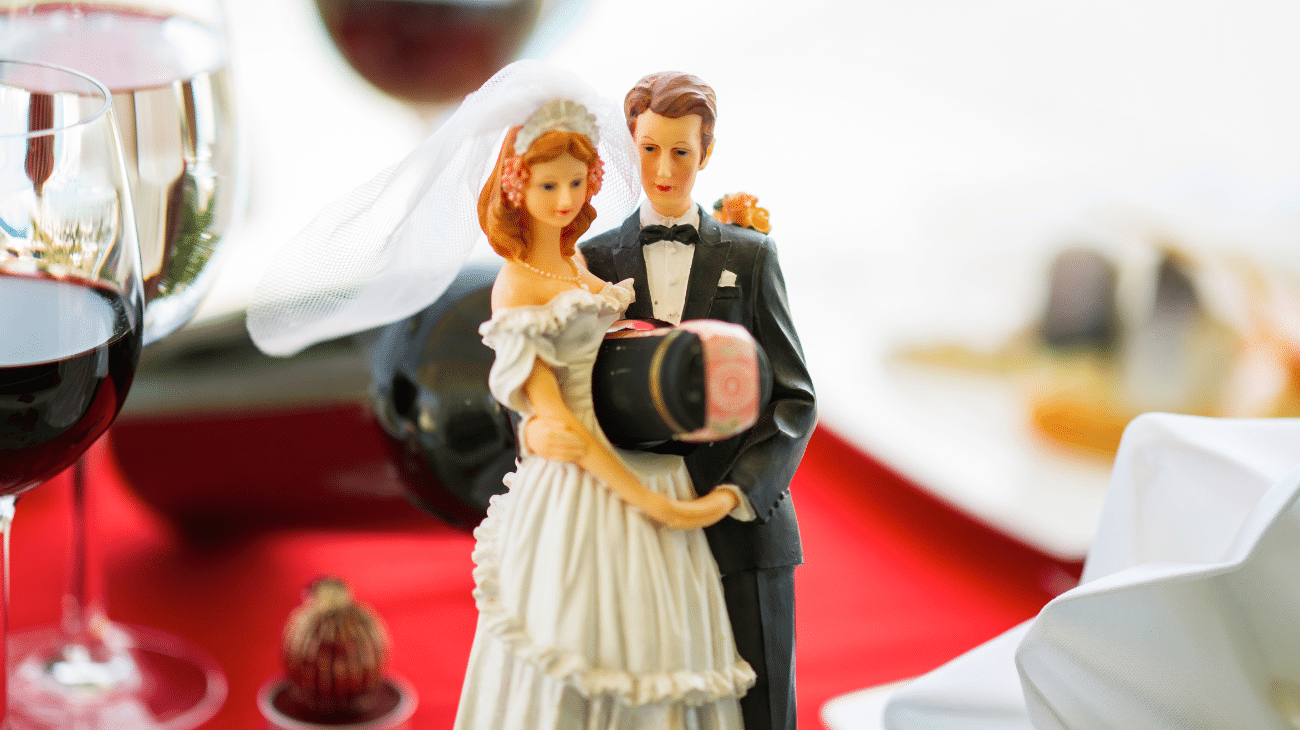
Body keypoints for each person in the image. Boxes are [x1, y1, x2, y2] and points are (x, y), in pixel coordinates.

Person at [570, 71, 817, 730]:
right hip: (636, 528)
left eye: (680, 151)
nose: (664, 169)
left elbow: (794, 397)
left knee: (764, 706)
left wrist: (737, 494)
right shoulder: (593, 260)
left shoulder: (751, 256)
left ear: (706, 151)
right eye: (649, 150)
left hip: (743, 529)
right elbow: (576, 385)